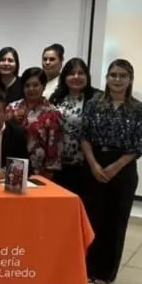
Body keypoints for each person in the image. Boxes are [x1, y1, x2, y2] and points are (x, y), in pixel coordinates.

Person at [80, 59, 142, 284]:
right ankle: (88, 268)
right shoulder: (93, 103)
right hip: (94, 164)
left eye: (123, 76)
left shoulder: (138, 109)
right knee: (93, 218)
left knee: (115, 222)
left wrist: (115, 167)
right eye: (113, 75)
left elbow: (138, 146)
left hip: (124, 168)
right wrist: (94, 165)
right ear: (107, 78)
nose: (117, 80)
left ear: (130, 80)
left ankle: (106, 272)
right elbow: (85, 137)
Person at [50, 58, 99, 196]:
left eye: (81, 73)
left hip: (84, 166)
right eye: (71, 73)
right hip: (58, 166)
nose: (76, 77)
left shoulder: (96, 98)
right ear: (64, 77)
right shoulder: (56, 97)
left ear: (87, 76)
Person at [6, 67, 64, 177]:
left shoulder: (52, 112)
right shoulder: (12, 107)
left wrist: (49, 171)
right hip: (12, 167)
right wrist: (12, 120)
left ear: (43, 86)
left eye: (35, 85)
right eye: (27, 85)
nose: (31, 89)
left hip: (38, 169)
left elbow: (55, 146)